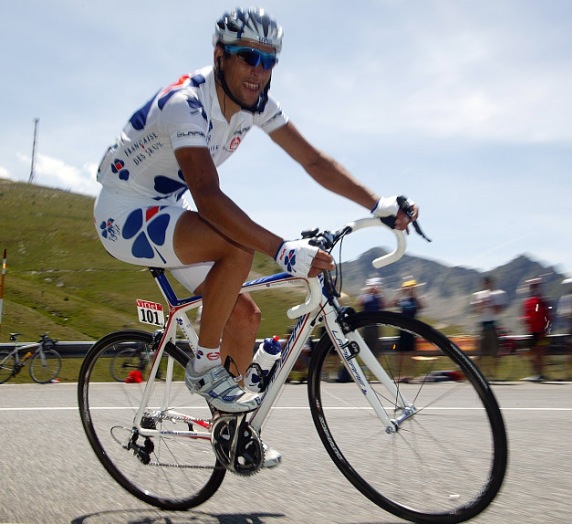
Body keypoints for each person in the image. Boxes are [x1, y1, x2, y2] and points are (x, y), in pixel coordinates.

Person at [92, 7, 418, 465]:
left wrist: (375, 202)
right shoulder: (185, 103)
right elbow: (207, 195)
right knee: (235, 245)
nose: (259, 72)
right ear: (220, 55)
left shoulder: (256, 103)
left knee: (244, 316)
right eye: (249, 57)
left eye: (269, 61)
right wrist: (282, 249)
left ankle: (230, 435)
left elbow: (314, 162)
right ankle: (205, 365)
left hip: (166, 209)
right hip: (123, 210)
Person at [469, 276, 508, 376]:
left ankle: (492, 373)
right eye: (485, 283)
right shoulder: (478, 295)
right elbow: (475, 312)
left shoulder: (497, 294)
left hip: (493, 325)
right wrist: (481, 305)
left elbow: (498, 311)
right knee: (480, 353)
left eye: (488, 283)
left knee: (495, 352)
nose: (487, 285)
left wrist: (491, 304)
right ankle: (479, 374)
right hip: (483, 325)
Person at [521, 278, 552, 382]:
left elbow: (548, 316)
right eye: (531, 286)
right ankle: (536, 374)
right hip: (532, 331)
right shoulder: (528, 301)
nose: (532, 288)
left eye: (535, 286)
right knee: (533, 353)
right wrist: (525, 319)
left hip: (542, 331)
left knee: (539, 353)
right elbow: (527, 315)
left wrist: (547, 329)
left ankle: (540, 374)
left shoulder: (542, 301)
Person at [389, 279, 424, 352]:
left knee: (410, 350)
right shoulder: (403, 300)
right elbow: (391, 303)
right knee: (401, 350)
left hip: (412, 329)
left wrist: (414, 294)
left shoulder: (415, 300)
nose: (410, 290)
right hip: (402, 329)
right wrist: (400, 292)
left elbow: (421, 306)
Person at [357, 277, 385, 355]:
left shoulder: (378, 297)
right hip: (366, 326)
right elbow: (359, 303)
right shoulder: (365, 296)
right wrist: (368, 292)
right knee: (366, 347)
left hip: (375, 326)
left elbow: (383, 305)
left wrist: (378, 292)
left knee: (376, 349)